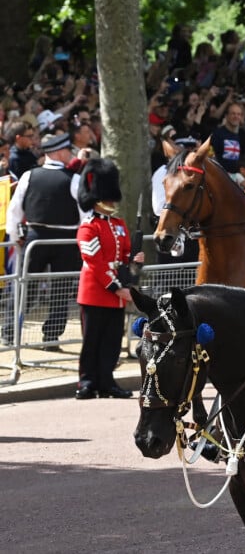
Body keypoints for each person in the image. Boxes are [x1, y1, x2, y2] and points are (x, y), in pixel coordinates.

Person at [5, 133, 84, 350]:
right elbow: (84, 215)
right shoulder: (74, 179)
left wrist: (16, 238)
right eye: (68, 150)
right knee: (61, 290)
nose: (70, 154)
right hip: (65, 240)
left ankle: (9, 333)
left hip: (34, 238)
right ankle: (51, 337)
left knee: (25, 287)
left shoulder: (29, 176)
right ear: (59, 152)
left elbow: (14, 211)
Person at [75, 158, 144, 399]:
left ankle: (106, 381)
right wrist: (117, 288)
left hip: (116, 294)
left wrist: (135, 259)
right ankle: (86, 382)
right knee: (91, 341)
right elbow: (95, 263)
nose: (112, 202)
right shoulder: (88, 227)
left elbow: (124, 253)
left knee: (111, 342)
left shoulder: (119, 225)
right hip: (96, 292)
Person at [209, 102, 244, 175]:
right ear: (226, 116)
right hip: (220, 176)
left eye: (239, 114)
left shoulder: (238, 136)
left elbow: (233, 161)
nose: (236, 116)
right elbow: (211, 158)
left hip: (234, 176)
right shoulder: (217, 134)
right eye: (233, 113)